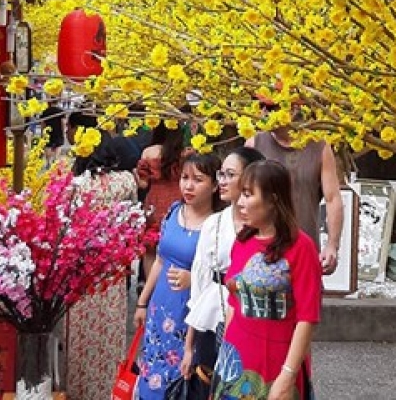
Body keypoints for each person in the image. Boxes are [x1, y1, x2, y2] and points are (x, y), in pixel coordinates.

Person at [214, 160, 323, 400]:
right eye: (241, 194)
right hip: (236, 357)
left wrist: (288, 375)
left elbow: (307, 318)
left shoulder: (301, 248)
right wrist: (223, 357)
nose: (240, 203)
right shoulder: (243, 241)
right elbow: (234, 302)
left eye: (248, 194)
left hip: (278, 361)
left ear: (273, 199)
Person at [134, 153, 223, 400]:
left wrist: (193, 278)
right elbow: (160, 261)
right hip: (160, 307)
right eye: (185, 178)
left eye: (198, 179)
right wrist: (142, 301)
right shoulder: (174, 211)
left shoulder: (217, 226)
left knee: (183, 380)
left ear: (215, 185)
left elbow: (222, 277)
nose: (189, 186)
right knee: (151, 372)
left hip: (190, 313)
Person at [182, 147, 265, 392]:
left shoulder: (265, 227)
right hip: (211, 318)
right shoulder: (213, 224)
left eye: (230, 174)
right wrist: (189, 346)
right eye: (221, 174)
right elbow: (199, 286)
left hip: (250, 321)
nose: (223, 181)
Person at [64, 163, 139, 400]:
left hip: (80, 267)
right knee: (110, 331)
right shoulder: (125, 181)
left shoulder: (74, 184)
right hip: (111, 268)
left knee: (80, 336)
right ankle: (109, 391)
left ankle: (78, 391)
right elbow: (132, 215)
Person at [247, 119, 344, 278]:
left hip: (305, 245)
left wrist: (332, 245)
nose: (264, 114)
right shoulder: (255, 144)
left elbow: (333, 198)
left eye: (272, 108)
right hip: (261, 247)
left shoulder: (319, 147)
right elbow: (241, 196)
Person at [136, 121, 190, 276]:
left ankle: (150, 289)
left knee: (151, 249)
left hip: (154, 203)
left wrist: (134, 174)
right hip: (178, 202)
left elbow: (143, 184)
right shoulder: (186, 154)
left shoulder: (149, 153)